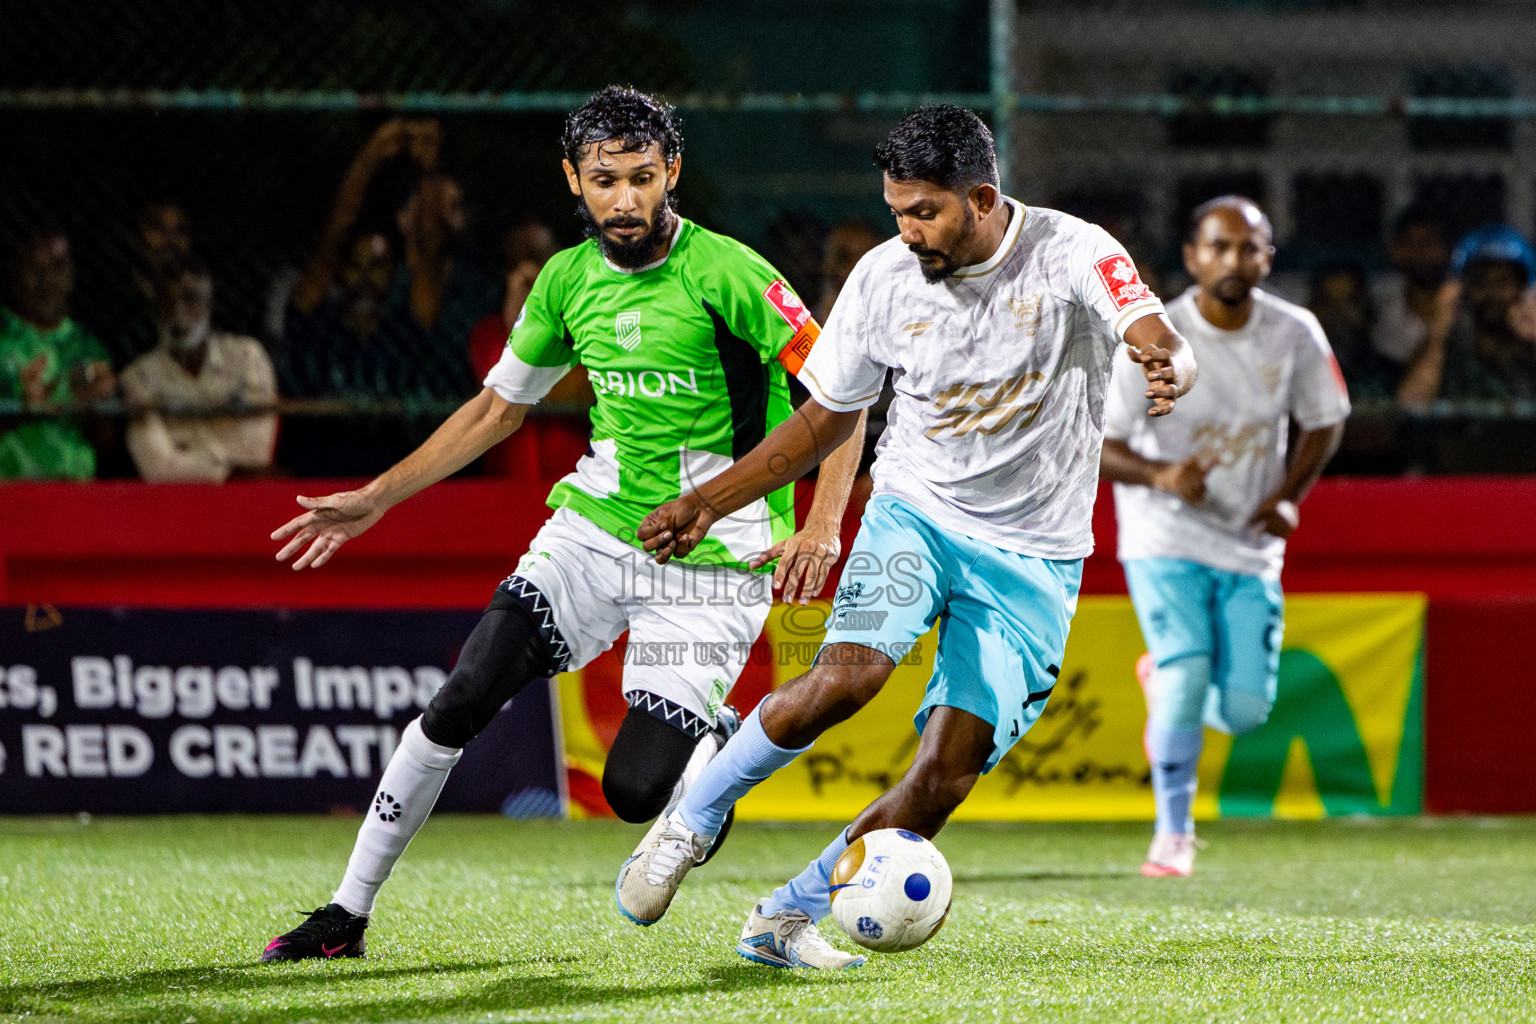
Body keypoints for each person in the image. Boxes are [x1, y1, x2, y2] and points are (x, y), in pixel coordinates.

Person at [259, 86, 866, 961]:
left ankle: (714, 745)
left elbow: (839, 396)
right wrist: (376, 498)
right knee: (460, 698)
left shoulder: (729, 272)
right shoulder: (567, 279)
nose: (625, 200)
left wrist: (822, 525)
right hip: (591, 533)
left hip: (716, 556)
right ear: (574, 181)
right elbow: (495, 411)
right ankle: (346, 914)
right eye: (605, 180)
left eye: (643, 178)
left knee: (633, 789)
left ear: (673, 175)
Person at [614, 104, 1196, 969]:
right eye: (897, 211)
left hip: (1034, 553)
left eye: (925, 212)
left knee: (946, 776)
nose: (907, 230)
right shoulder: (885, 276)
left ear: (983, 197)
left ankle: (784, 918)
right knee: (846, 680)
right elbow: (822, 421)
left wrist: (1163, 362)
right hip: (914, 515)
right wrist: (711, 499)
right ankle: (688, 823)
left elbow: (1154, 333)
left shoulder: (1075, 252)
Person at [1100, 196, 1349, 878]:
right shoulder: (1153, 335)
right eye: (1220, 246)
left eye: (1251, 248)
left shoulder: (1293, 332)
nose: (1235, 260)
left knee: (1243, 711)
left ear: (1269, 256)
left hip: (1248, 542)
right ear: (1192, 256)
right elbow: (1099, 443)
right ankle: (1172, 834)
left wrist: (1288, 499)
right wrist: (1160, 473)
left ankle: (1168, 678)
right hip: (1163, 535)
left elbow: (1326, 419)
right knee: (1186, 677)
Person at [119, 258, 278, 483]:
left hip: (243, 498)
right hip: (174, 503)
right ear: (156, 308)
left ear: (210, 304)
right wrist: (229, 470)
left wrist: (185, 457)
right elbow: (158, 469)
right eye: (167, 301)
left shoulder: (247, 357)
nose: (178, 312)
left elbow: (256, 454)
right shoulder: (138, 377)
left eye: (190, 299)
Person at [0, 218, 116, 480]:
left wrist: (98, 410)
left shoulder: (88, 346)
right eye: (34, 267)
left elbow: (106, 447)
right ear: (13, 269)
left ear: (72, 275)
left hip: (73, 493)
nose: (47, 279)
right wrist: (20, 409)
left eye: (58, 266)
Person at [1397, 224, 1536, 407]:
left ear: (1523, 290)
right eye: (1481, 281)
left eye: (1504, 281)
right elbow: (1408, 406)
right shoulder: (1448, 346)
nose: (1492, 293)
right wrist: (1438, 334)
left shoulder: (1529, 350)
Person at [1371, 205, 1452, 371]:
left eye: (1427, 243)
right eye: (1410, 243)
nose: (1419, 252)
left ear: (1445, 249)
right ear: (1395, 251)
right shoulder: (1378, 302)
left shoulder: (1462, 303)